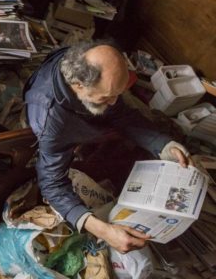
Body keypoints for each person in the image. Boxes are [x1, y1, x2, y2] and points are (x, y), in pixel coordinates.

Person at [24, 41, 191, 253]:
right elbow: (51, 182)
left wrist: (164, 144)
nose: (113, 102)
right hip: (66, 123)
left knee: (164, 132)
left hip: (86, 112)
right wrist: (103, 230)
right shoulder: (51, 123)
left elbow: (120, 112)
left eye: (117, 94)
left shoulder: (84, 59)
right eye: (106, 97)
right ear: (78, 85)